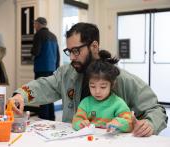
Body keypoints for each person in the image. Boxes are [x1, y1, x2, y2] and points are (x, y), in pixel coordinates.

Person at [9, 22, 167, 137]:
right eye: (69, 51)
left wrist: (150, 124)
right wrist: (21, 95)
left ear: (94, 46)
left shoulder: (121, 78)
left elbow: (156, 109)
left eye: (76, 51)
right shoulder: (66, 74)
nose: (71, 57)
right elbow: (44, 86)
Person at [72, 50, 133, 133]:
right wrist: (80, 124)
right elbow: (76, 120)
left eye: (103, 87)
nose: (97, 91)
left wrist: (119, 123)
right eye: (92, 86)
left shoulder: (118, 103)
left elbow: (130, 124)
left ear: (112, 85)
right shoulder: (86, 103)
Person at [29, 17, 60, 120]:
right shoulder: (53, 36)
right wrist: (56, 69)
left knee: (41, 92)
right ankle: (51, 116)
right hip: (52, 69)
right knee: (50, 93)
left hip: (41, 69)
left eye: (35, 24)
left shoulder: (38, 35)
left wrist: (32, 51)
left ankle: (44, 117)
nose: (34, 26)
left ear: (38, 24)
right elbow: (58, 55)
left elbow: (36, 51)